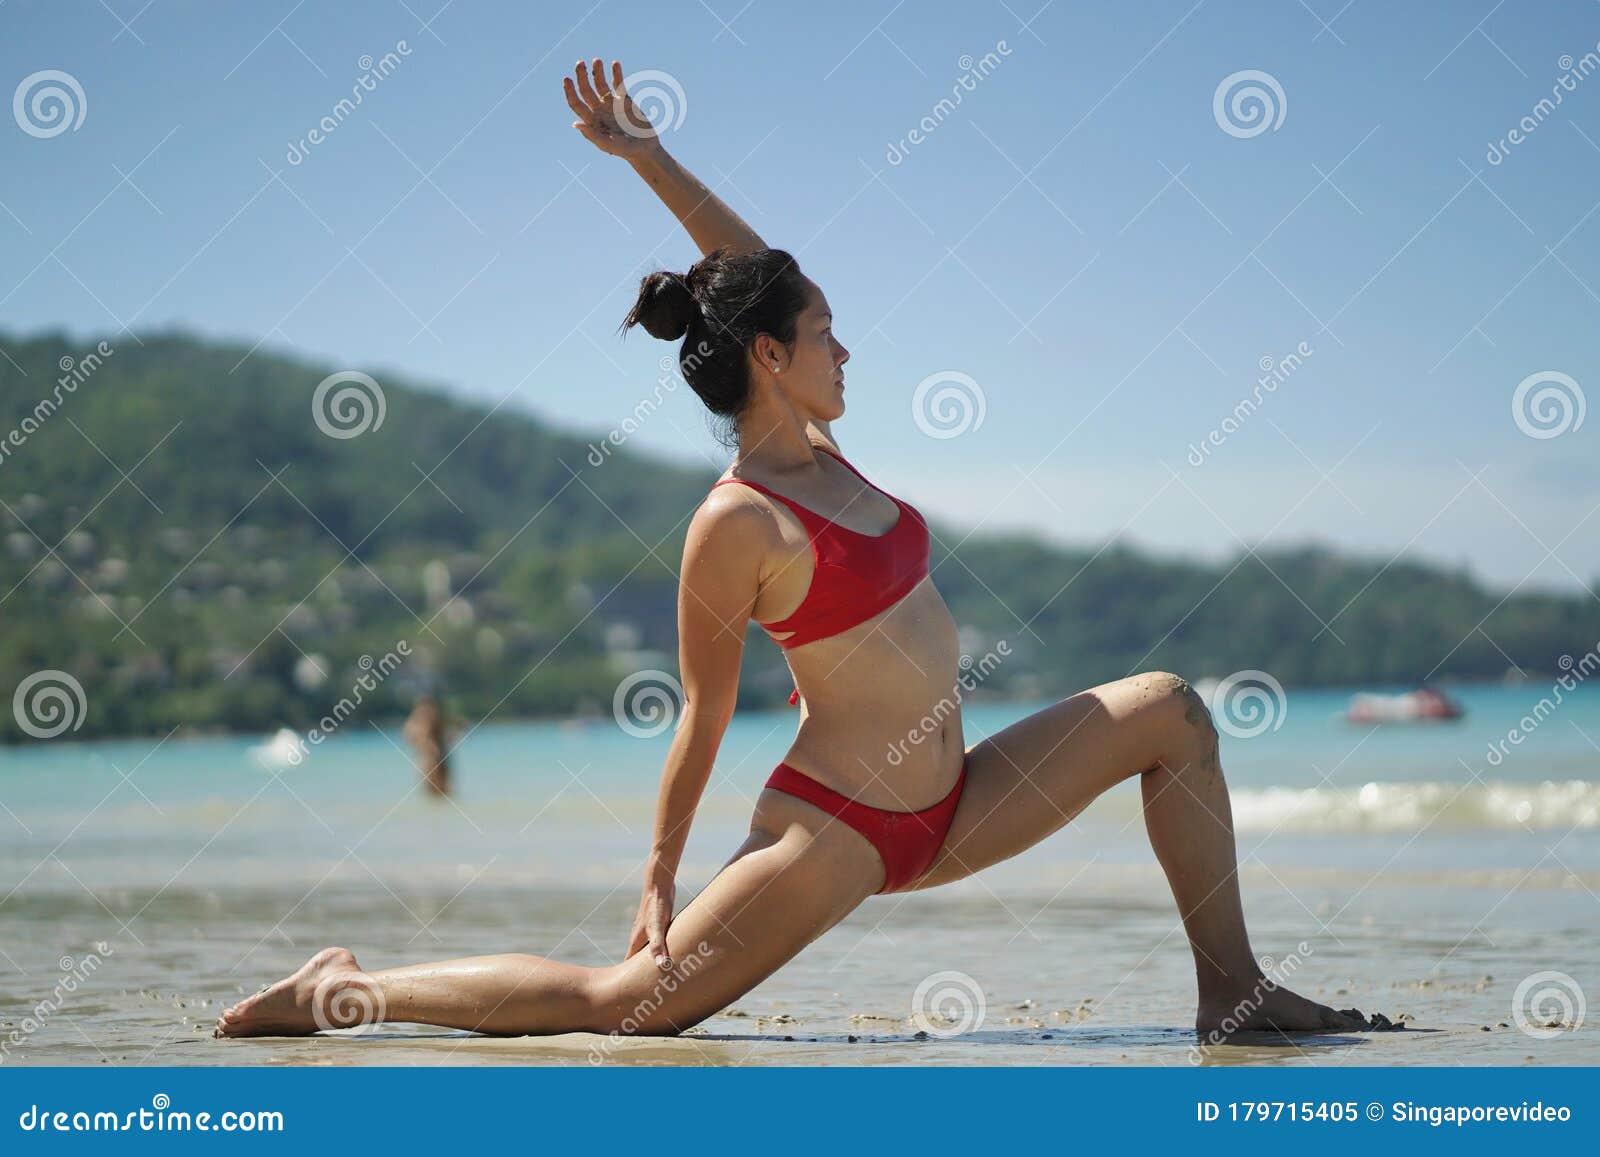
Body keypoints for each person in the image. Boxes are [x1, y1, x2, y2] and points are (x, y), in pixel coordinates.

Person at [216, 59, 1373, 1041]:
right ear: (771, 358)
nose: (846, 348)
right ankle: (344, 988)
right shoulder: (738, 520)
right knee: (624, 1004)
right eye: (823, 335)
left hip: (955, 799)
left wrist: (646, 160)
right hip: (837, 828)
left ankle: (1233, 989)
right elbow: (701, 712)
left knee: (1170, 709)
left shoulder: (826, 451)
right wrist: (662, 872)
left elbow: (752, 274)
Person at [402, 692, 453, 798]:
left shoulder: (431, 719)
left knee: (441, 794)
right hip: (429, 760)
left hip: (438, 758)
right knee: (436, 794)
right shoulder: (416, 722)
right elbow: (410, 737)